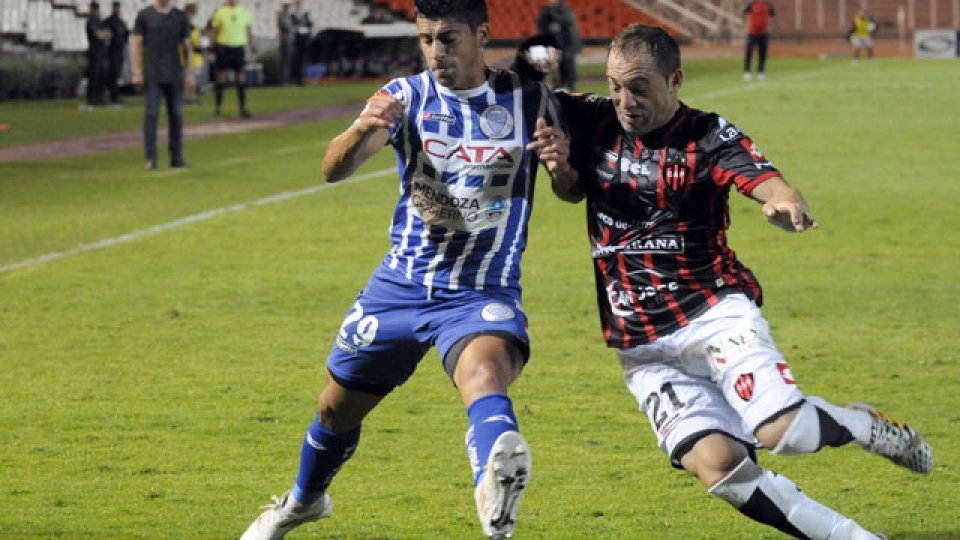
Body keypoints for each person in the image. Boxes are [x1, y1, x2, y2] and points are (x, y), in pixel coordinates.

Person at [528, 24, 934, 540]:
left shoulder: (707, 134)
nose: (625, 100)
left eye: (639, 87)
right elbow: (570, 185)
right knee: (720, 467)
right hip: (640, 342)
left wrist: (783, 199)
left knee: (786, 432)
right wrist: (559, 169)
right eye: (615, 85)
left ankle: (863, 426)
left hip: (713, 311)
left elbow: (763, 177)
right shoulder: (588, 118)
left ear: (674, 80)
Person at [238, 0, 562, 538]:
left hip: (479, 290)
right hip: (400, 286)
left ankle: (493, 490)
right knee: (334, 413)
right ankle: (302, 502)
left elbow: (570, 188)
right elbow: (333, 169)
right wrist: (362, 128)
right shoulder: (404, 96)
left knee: (484, 377)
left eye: (449, 38)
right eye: (427, 38)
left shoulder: (530, 101)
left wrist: (562, 165)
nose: (437, 51)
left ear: (481, 36)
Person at [130, 0, 193, 169]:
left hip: (174, 73)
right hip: (153, 74)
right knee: (151, 114)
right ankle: (151, 158)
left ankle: (176, 156)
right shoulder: (144, 15)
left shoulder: (180, 16)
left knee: (177, 115)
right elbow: (136, 43)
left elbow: (187, 46)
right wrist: (136, 71)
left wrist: (190, 73)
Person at [210, 0, 255, 117]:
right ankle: (218, 107)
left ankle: (243, 108)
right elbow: (214, 31)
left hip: (239, 48)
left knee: (241, 78)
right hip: (223, 48)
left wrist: (253, 48)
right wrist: (212, 49)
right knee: (221, 78)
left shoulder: (244, 12)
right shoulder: (220, 12)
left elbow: (249, 31)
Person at [535, 0, 581, 90]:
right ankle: (559, 86)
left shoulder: (565, 10)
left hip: (567, 45)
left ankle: (570, 86)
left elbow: (567, 21)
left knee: (568, 67)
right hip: (555, 45)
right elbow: (541, 25)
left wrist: (553, 15)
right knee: (556, 68)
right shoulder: (546, 11)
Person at [81, 1, 111, 111]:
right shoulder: (91, 21)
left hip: (101, 52)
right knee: (94, 75)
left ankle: (100, 98)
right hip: (94, 52)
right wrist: (103, 33)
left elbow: (108, 33)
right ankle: (91, 99)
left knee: (101, 75)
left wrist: (103, 33)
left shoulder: (99, 21)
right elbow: (99, 35)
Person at [104, 1, 129, 105]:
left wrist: (123, 42)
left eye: (118, 8)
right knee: (113, 73)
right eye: (115, 7)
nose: (117, 9)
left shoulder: (121, 22)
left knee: (117, 73)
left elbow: (126, 34)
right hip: (112, 51)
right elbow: (105, 36)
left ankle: (115, 94)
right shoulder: (109, 21)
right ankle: (112, 95)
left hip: (119, 51)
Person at [743, 0, 774, 81]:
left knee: (762, 54)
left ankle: (761, 72)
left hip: (763, 33)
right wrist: (745, 24)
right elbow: (744, 13)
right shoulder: (751, 4)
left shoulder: (768, 5)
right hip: (752, 33)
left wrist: (770, 28)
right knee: (749, 53)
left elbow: (773, 16)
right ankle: (747, 72)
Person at [183, 3, 207, 104]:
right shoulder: (183, 27)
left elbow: (200, 44)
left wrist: (200, 46)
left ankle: (192, 97)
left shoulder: (195, 28)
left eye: (193, 13)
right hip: (185, 58)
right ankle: (187, 98)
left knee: (193, 80)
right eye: (190, 13)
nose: (191, 15)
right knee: (187, 79)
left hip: (196, 58)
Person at [290, 0, 313, 85]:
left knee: (304, 59)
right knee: (297, 59)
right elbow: (293, 26)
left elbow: (309, 24)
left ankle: (303, 78)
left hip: (305, 37)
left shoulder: (305, 15)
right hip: (297, 38)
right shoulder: (292, 15)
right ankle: (297, 79)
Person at [277, 3, 295, 85]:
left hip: (289, 40)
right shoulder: (282, 15)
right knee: (286, 61)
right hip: (286, 40)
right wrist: (294, 27)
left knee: (288, 61)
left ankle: (286, 79)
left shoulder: (287, 15)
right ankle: (284, 81)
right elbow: (287, 27)